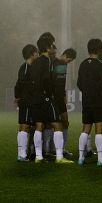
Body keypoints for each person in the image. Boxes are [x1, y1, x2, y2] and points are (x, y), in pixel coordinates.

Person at [29, 36, 73, 164]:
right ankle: (59, 156)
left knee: (39, 125)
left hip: (36, 97)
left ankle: (39, 156)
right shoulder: (47, 61)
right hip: (45, 97)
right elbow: (47, 79)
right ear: (48, 48)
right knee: (57, 124)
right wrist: (50, 93)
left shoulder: (35, 61)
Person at [77, 38, 102, 166]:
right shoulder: (101, 65)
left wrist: (86, 92)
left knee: (85, 129)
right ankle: (100, 159)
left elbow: (79, 83)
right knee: (99, 130)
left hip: (86, 101)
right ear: (100, 50)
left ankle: (81, 157)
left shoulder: (83, 64)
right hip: (98, 101)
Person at [14, 43, 38, 161]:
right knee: (25, 125)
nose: (37, 55)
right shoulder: (25, 68)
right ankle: (21, 154)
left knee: (26, 125)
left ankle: (22, 153)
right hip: (26, 101)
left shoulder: (30, 67)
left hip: (29, 100)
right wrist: (17, 97)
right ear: (31, 55)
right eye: (36, 53)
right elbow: (19, 84)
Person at [52, 47, 77, 158]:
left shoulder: (63, 65)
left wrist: (64, 95)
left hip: (60, 98)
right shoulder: (53, 63)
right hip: (52, 98)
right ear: (65, 55)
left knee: (65, 122)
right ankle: (50, 150)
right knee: (51, 124)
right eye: (69, 60)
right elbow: (51, 81)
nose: (69, 62)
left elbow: (61, 82)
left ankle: (62, 148)